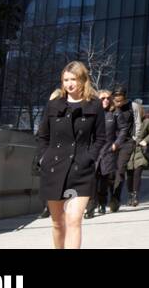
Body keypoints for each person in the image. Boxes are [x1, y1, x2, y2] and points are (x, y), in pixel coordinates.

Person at [35, 61, 107, 249]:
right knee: (58, 223)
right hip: (53, 168)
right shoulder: (53, 105)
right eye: (66, 80)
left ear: (83, 80)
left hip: (81, 170)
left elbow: (100, 138)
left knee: (74, 220)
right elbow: (43, 136)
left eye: (73, 79)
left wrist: (89, 158)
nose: (69, 84)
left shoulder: (95, 104)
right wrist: (43, 158)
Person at [104, 88, 136, 212]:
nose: (118, 102)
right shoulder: (108, 109)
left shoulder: (131, 107)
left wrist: (136, 140)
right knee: (110, 172)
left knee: (120, 170)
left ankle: (115, 198)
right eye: (116, 99)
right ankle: (112, 195)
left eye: (121, 99)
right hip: (111, 143)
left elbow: (137, 123)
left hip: (126, 143)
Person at [88, 90, 118, 219]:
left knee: (104, 180)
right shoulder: (90, 114)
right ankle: (91, 206)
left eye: (108, 98)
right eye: (102, 98)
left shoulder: (114, 115)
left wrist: (116, 143)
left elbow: (122, 131)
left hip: (108, 151)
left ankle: (102, 203)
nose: (105, 100)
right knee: (92, 179)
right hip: (93, 151)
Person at [124, 101, 149, 207]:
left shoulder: (147, 121)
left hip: (141, 151)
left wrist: (145, 141)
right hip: (129, 151)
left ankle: (136, 196)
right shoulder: (128, 122)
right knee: (129, 175)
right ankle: (130, 195)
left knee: (137, 173)